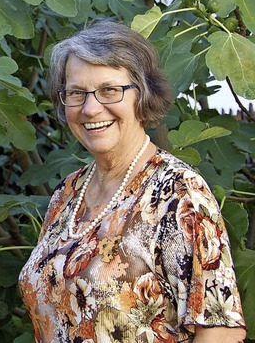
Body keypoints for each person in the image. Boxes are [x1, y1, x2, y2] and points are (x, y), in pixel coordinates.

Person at [19, 21, 247, 343]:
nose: (91, 107)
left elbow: (221, 331)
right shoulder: (66, 195)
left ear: (143, 94)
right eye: (76, 93)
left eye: (109, 90)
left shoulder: (178, 194)